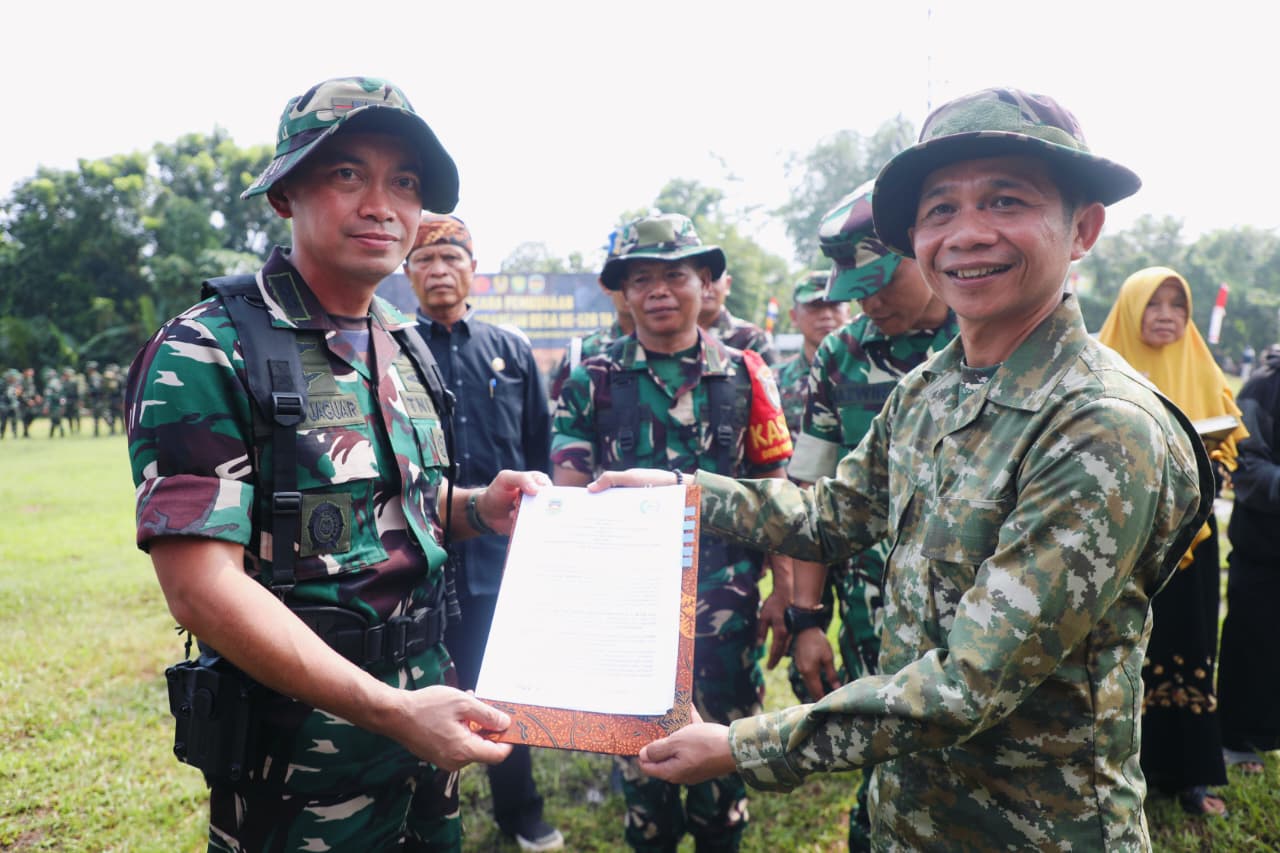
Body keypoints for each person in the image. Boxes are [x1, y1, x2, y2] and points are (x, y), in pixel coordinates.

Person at [597, 87, 1214, 850]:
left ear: (1082, 227)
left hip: (1038, 827)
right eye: (939, 211)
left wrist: (741, 746)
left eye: (1005, 199)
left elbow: (968, 682)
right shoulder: (933, 386)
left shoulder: (1101, 425)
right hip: (911, 810)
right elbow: (833, 515)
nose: (968, 234)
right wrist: (684, 493)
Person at [124, 75, 549, 852]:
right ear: (285, 193)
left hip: (430, 720)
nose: (382, 204)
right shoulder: (209, 348)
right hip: (301, 754)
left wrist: (483, 505)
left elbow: (397, 504)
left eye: (405, 181)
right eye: (347, 172)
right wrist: (388, 710)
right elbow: (200, 586)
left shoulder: (405, 342)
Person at [552, 212, 795, 852]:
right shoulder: (591, 380)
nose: (658, 291)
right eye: (642, 279)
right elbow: (569, 496)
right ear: (624, 294)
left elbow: (778, 493)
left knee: (721, 778)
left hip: (727, 612)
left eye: (674, 275)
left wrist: (785, 597)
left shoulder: (746, 374)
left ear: (705, 281)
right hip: (626, 615)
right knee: (645, 786)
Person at [785, 181, 958, 851]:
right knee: (884, 759)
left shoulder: (985, 339)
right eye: (855, 289)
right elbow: (810, 493)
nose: (868, 302)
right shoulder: (840, 355)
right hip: (871, 610)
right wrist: (805, 619)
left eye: (882, 282)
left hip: (978, 613)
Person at [404, 213, 563, 852]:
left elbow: (540, 453)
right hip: (419, 559)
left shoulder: (511, 349)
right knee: (419, 689)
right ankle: (419, 816)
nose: (439, 272)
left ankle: (518, 811)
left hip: (503, 561)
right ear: (407, 274)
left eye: (451, 260)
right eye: (425, 262)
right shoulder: (390, 349)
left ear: (473, 270)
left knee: (503, 692)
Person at [1097, 265, 1246, 816]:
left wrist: (1210, 462)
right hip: (1124, 544)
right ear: (1130, 311)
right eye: (1153, 304)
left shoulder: (1201, 367)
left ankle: (1191, 776)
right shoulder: (1103, 371)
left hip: (1191, 542)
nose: (1166, 316)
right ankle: (1120, 778)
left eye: (1177, 305)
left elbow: (1227, 444)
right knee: (1123, 655)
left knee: (1190, 646)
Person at [1218, 342, 1280, 775]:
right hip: (1264, 545)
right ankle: (1237, 740)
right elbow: (1245, 463)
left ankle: (1268, 733)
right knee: (1254, 640)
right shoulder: (1263, 386)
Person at [773, 270, 849, 440]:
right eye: (815, 306)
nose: (826, 315)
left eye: (835, 304)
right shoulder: (773, 381)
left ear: (848, 312)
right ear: (794, 316)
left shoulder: (871, 373)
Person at [698, 270, 778, 364]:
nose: (707, 287)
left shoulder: (751, 338)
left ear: (727, 284)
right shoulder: (677, 338)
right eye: (700, 280)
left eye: (714, 279)